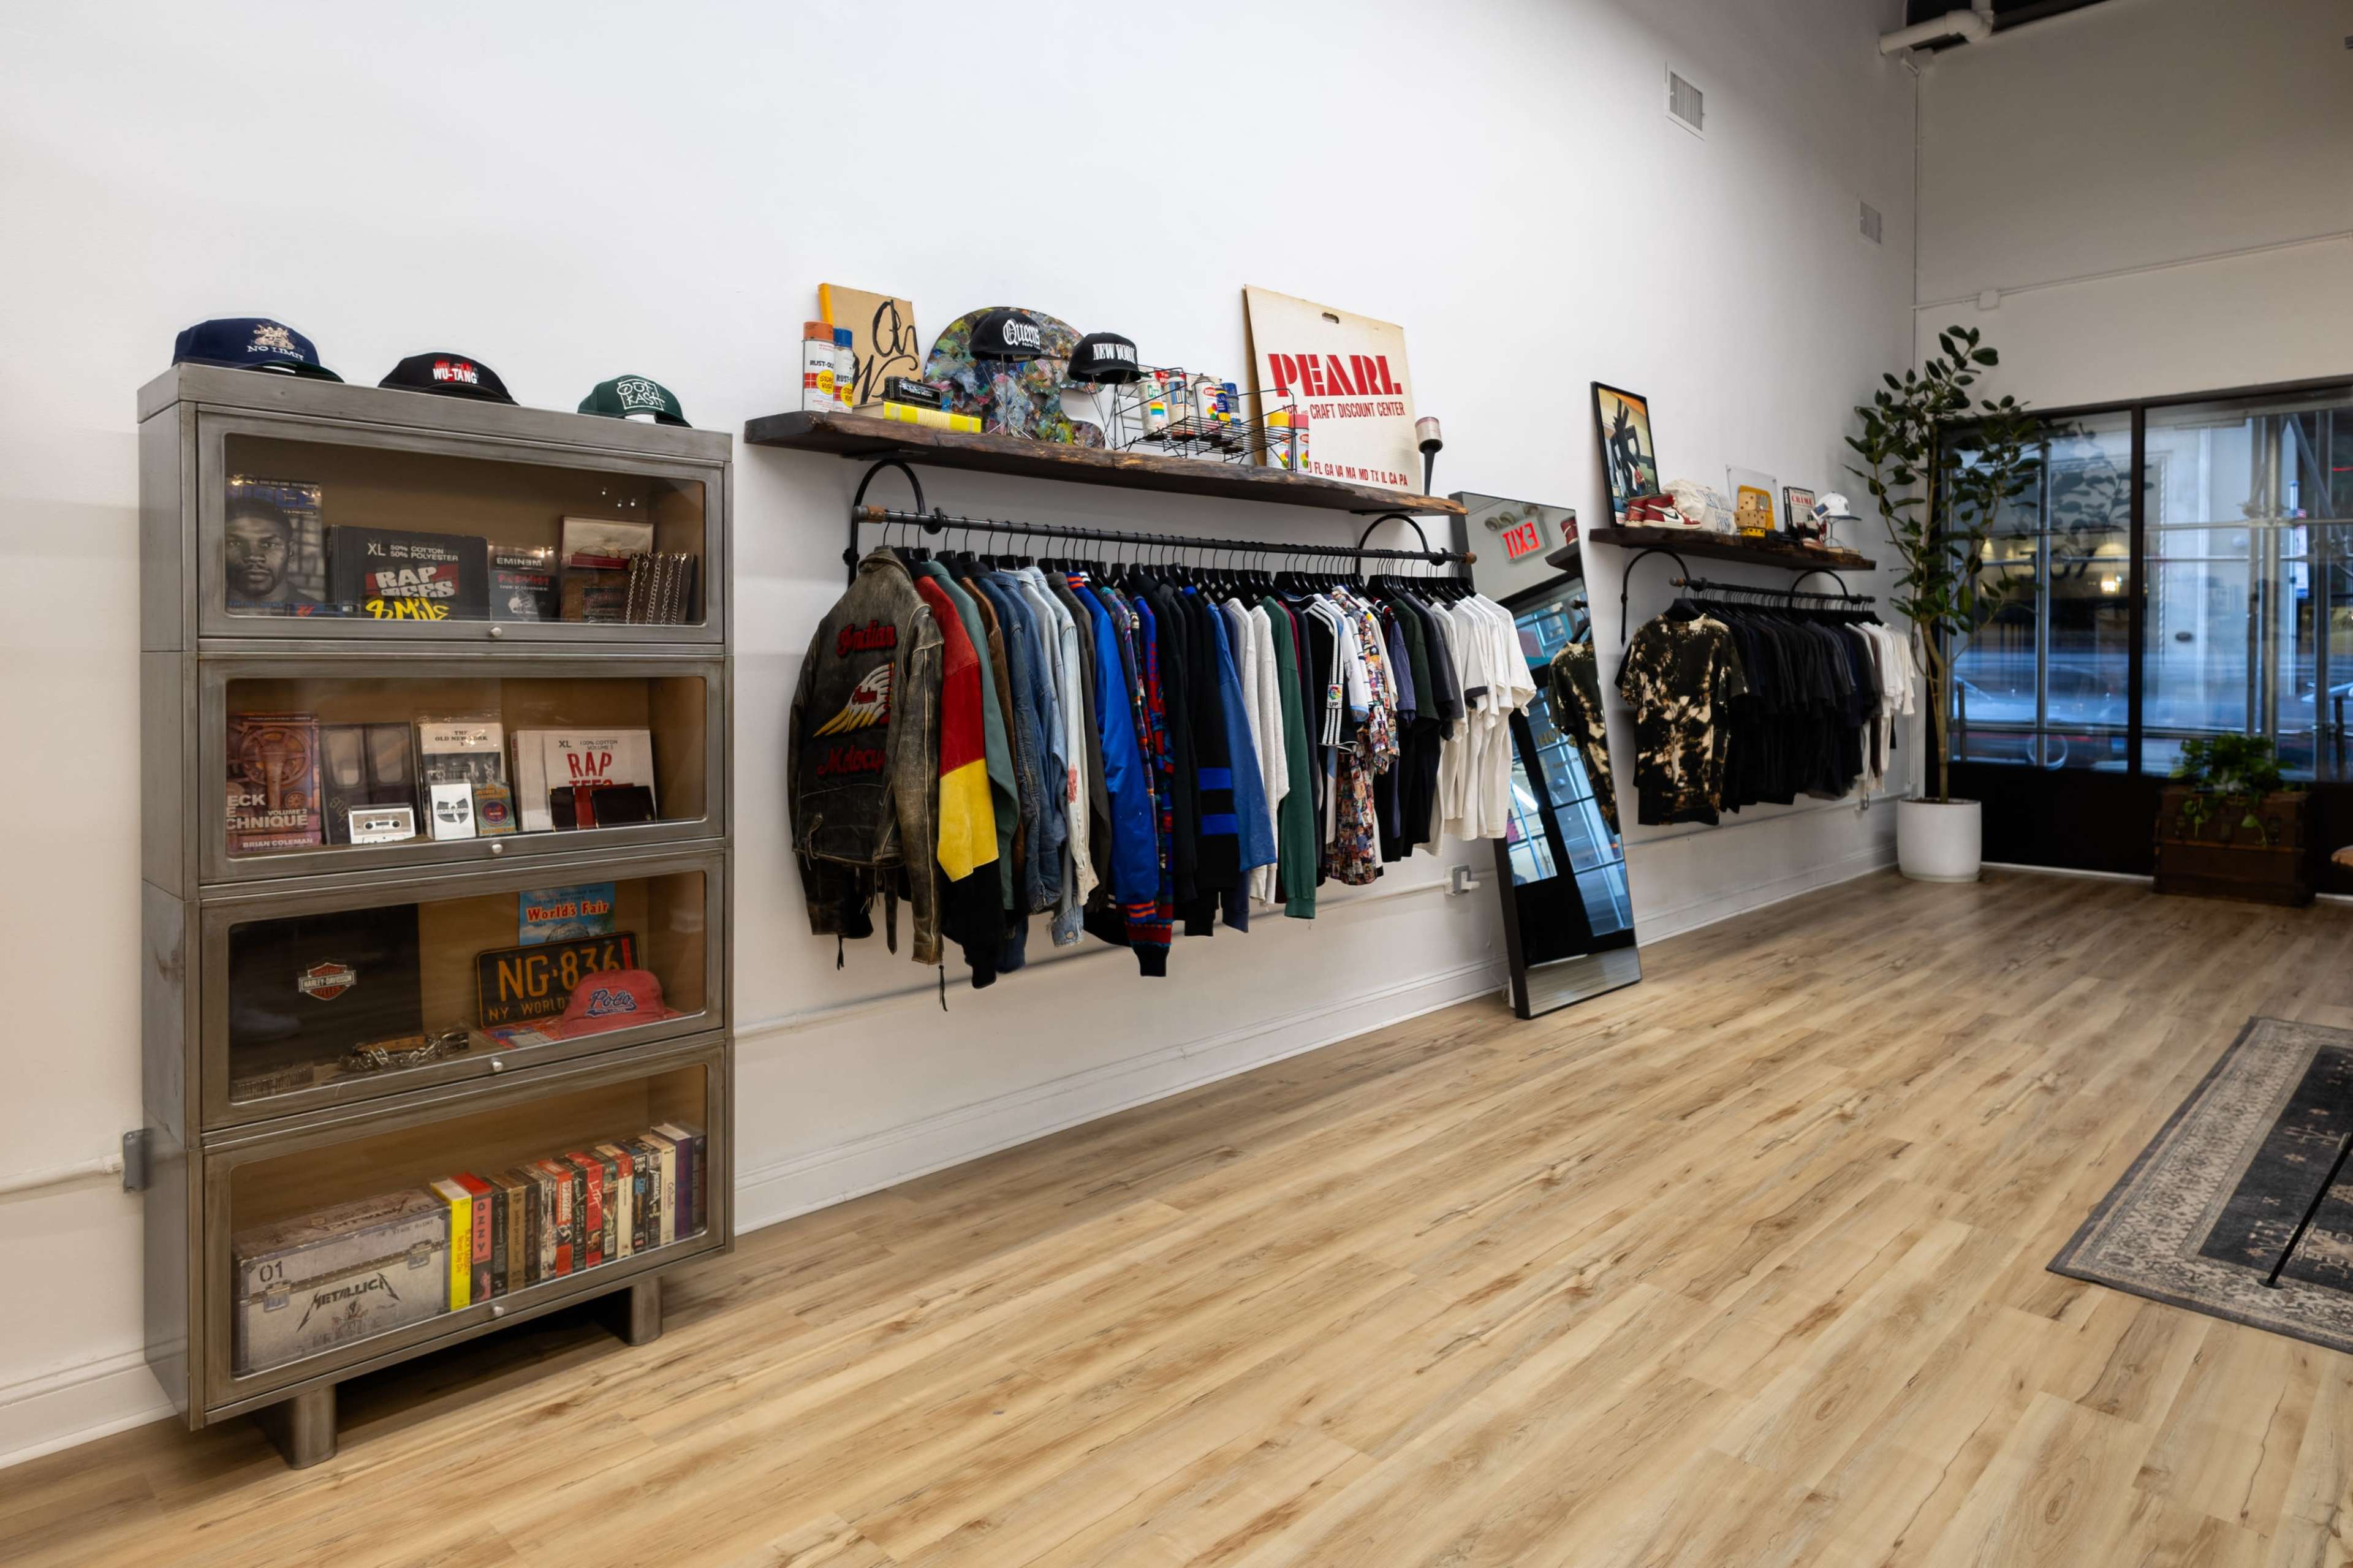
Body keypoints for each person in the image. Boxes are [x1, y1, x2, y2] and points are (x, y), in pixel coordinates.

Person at [224, 496, 318, 610]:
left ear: (291, 552)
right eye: (236, 543)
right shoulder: (201, 608)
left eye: (269, 545)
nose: (253, 556)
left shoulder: (320, 614)